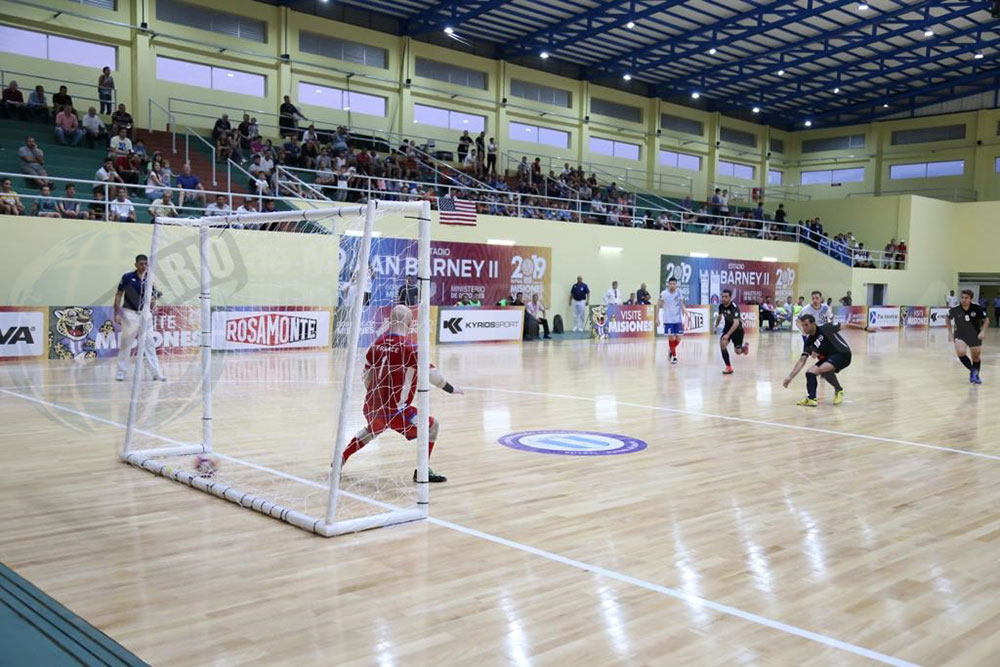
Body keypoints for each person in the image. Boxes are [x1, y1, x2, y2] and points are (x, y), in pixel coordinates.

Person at [340, 305, 462, 483]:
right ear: (411, 323)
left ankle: (341, 459)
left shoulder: (376, 344)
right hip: (397, 411)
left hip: (372, 406)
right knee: (432, 426)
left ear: (389, 320)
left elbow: (366, 376)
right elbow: (433, 375)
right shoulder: (410, 347)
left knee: (371, 431)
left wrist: (377, 397)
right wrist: (451, 389)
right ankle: (422, 470)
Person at [114, 254, 166, 382]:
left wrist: (154, 306)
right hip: (130, 314)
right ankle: (121, 372)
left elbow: (152, 298)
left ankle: (156, 373)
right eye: (141, 264)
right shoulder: (127, 277)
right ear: (136, 264)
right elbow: (119, 294)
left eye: (145, 264)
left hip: (145, 314)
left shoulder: (150, 279)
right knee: (126, 344)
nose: (144, 266)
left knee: (149, 344)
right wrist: (117, 313)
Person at [782, 314, 851, 406]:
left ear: (813, 323)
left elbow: (846, 325)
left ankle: (838, 390)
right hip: (828, 358)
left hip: (843, 354)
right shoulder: (809, 342)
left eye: (806, 325)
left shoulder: (825, 328)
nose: (804, 328)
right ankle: (812, 398)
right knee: (810, 372)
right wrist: (790, 377)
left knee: (823, 369)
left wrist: (865, 328)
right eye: (802, 325)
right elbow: (802, 360)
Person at [947, 289, 988, 384]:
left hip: (974, 334)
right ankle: (973, 371)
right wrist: (950, 332)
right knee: (961, 352)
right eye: (962, 297)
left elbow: (986, 320)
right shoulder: (955, 309)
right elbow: (947, 318)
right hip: (960, 334)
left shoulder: (977, 308)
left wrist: (983, 331)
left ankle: (975, 375)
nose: (964, 299)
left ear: (970, 299)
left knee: (976, 356)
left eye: (966, 298)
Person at [715, 289, 747, 375]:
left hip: (737, 330)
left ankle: (744, 348)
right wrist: (716, 326)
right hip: (727, 327)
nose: (724, 298)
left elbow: (736, 323)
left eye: (726, 297)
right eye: (723, 297)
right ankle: (729, 367)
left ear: (730, 297)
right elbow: (719, 316)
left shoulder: (734, 307)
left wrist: (728, 335)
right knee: (722, 344)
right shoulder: (721, 306)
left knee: (738, 352)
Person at [658, 277, 686, 364]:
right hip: (668, 320)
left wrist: (685, 312)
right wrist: (657, 318)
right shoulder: (664, 294)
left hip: (678, 320)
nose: (672, 285)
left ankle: (671, 350)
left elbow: (681, 304)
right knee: (671, 338)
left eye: (674, 284)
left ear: (676, 285)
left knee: (679, 338)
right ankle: (674, 356)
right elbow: (658, 305)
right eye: (671, 284)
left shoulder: (679, 293)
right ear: (668, 284)